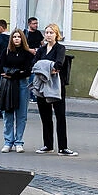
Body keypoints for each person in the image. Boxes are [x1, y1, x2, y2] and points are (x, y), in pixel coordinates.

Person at [32, 24, 74, 155]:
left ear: (56, 34)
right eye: (46, 32)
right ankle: (48, 144)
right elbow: (34, 64)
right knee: (45, 116)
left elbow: (58, 64)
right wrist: (48, 67)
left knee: (60, 116)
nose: (48, 35)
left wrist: (45, 66)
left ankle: (63, 147)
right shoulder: (41, 50)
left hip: (56, 86)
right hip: (42, 86)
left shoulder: (60, 48)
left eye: (51, 32)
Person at [0, 30, 35, 153]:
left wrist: (13, 73)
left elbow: (28, 71)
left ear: (22, 39)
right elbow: (1, 69)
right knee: (8, 113)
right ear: (11, 39)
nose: (16, 39)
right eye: (14, 37)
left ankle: (19, 142)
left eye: (19, 37)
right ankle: (8, 141)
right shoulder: (6, 52)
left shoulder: (27, 54)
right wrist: (17, 72)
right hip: (8, 85)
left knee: (21, 115)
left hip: (22, 85)